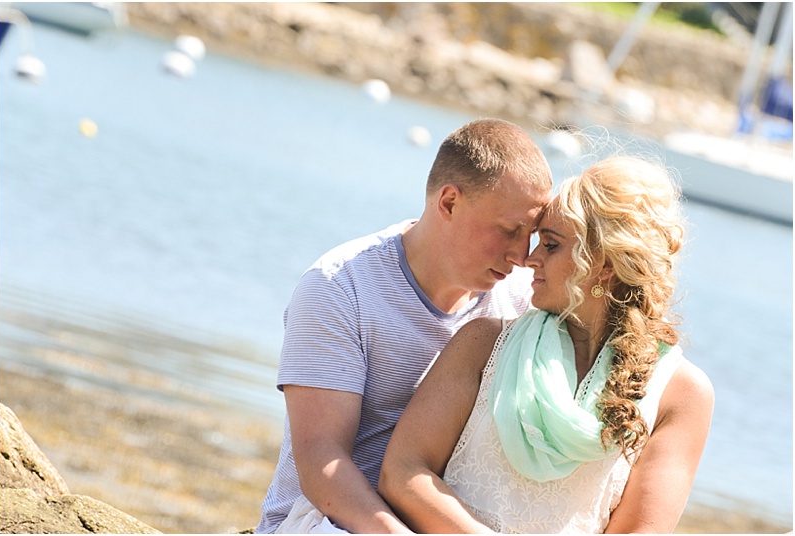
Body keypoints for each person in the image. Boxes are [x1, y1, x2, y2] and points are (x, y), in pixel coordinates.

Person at [378, 156, 715, 533]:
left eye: (550, 245)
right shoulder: (482, 344)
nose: (529, 259)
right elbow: (403, 472)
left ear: (605, 265)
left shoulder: (680, 394)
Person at [255, 118, 554, 534]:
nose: (522, 255)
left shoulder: (522, 298)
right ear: (449, 203)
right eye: (508, 231)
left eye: (533, 235)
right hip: (325, 524)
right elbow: (322, 462)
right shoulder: (340, 287)